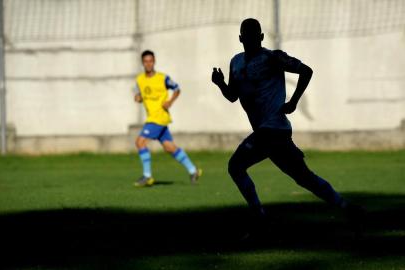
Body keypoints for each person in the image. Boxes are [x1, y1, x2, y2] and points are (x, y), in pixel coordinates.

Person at [211, 18, 364, 231]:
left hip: (272, 129)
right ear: (240, 38)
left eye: (254, 35)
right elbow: (232, 96)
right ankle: (346, 206)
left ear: (261, 37)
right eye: (246, 36)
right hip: (272, 133)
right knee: (304, 178)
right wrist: (220, 84)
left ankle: (259, 218)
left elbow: (306, 71)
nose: (250, 39)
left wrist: (293, 101)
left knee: (236, 166)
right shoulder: (236, 62)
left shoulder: (273, 58)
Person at [133, 50, 202, 187]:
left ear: (154, 62)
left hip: (158, 118)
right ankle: (193, 170)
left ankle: (147, 176)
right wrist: (138, 98)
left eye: (151, 61)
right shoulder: (139, 80)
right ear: (142, 63)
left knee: (140, 142)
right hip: (154, 118)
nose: (148, 64)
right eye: (146, 61)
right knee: (169, 147)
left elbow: (177, 88)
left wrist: (170, 102)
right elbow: (139, 95)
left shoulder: (163, 78)